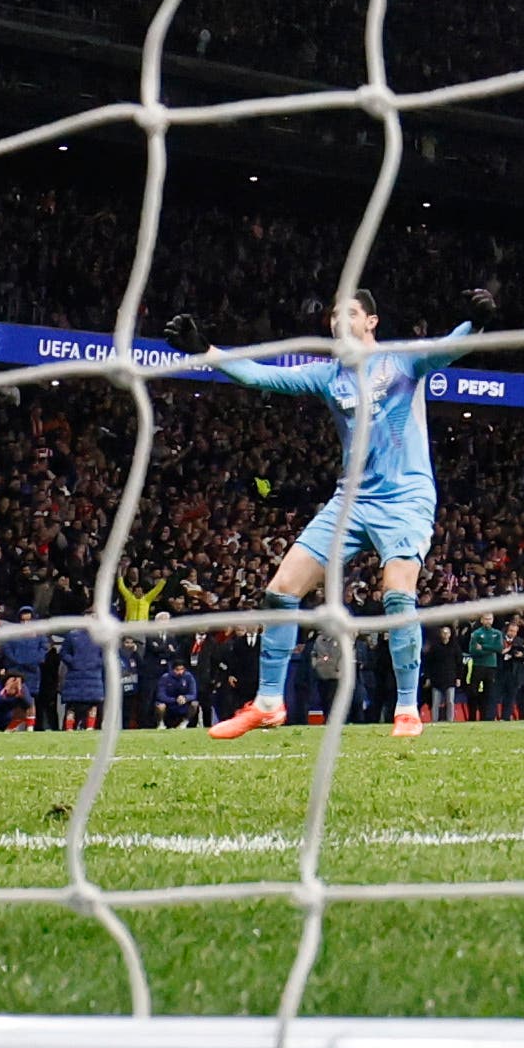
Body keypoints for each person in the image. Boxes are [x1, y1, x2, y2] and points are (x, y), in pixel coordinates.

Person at [206, 294, 457, 741]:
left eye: (351, 313)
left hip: (404, 498)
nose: (339, 319)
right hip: (350, 501)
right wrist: (205, 351)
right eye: (335, 314)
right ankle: (267, 703)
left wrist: (476, 324)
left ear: (372, 322)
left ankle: (405, 710)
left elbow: (448, 349)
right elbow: (262, 374)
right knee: (281, 591)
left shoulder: (400, 363)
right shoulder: (329, 376)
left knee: (397, 594)